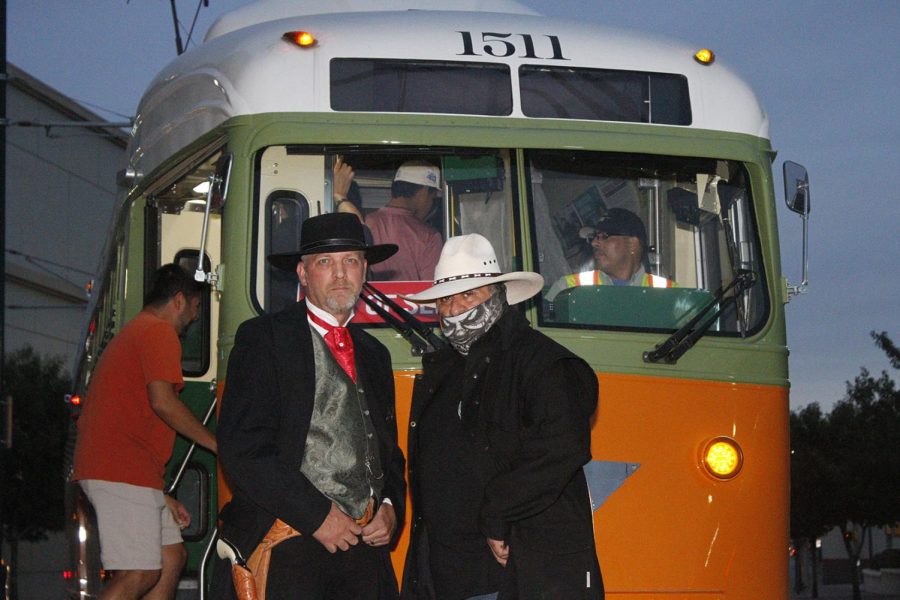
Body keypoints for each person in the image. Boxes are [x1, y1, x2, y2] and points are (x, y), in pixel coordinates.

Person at [211, 212, 407, 600]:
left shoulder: (376, 354)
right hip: (290, 546)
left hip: (366, 554)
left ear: (365, 271)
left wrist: (389, 506)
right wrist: (317, 517)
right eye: (325, 263)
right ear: (302, 274)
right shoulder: (264, 338)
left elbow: (388, 454)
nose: (339, 274)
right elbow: (243, 449)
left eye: (350, 261)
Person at [401, 234, 603, 600]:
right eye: (445, 299)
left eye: (469, 295)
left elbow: (561, 448)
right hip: (446, 572)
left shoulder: (545, 363)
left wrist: (498, 514)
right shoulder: (442, 367)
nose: (454, 309)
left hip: (516, 568)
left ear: (497, 294)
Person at [72, 263, 218, 600]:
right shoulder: (158, 332)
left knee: (172, 558)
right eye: (196, 308)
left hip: (129, 471)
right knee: (141, 572)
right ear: (179, 300)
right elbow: (163, 403)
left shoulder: (138, 330)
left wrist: (160, 493)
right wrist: (215, 443)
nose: (194, 319)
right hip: (120, 470)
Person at [546, 207, 676, 300]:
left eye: (604, 236)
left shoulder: (670, 293)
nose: (594, 243)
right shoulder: (568, 288)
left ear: (632, 244)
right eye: (595, 237)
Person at [365, 160, 443, 281]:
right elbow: (433, 290)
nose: (432, 205)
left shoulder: (365, 222)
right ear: (424, 192)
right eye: (433, 198)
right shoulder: (429, 237)